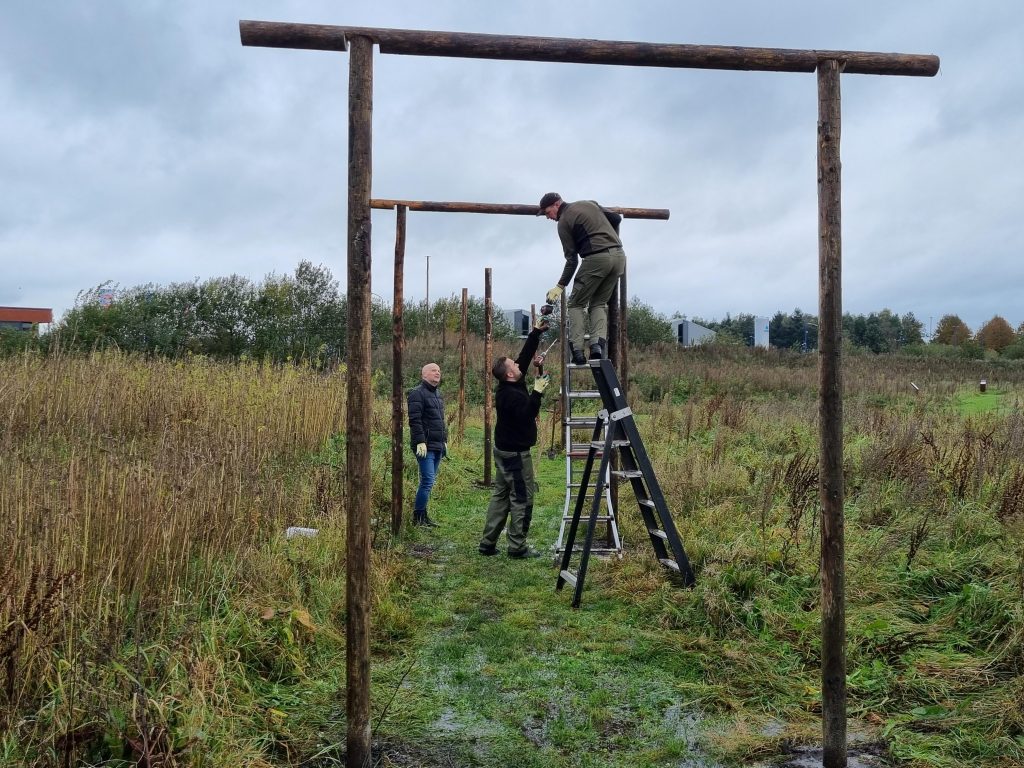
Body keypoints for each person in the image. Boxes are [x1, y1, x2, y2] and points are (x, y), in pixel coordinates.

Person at [479, 320, 551, 558]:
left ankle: (487, 543)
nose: (518, 364)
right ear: (510, 374)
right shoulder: (508, 396)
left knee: (501, 496)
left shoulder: (512, 380)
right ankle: (517, 547)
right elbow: (527, 414)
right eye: (514, 365)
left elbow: (525, 355)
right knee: (521, 497)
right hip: (515, 456)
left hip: (504, 451)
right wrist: (538, 392)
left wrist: (536, 333)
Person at [537, 192, 625, 365]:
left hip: (596, 259)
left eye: (547, 213)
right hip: (619, 257)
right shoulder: (589, 203)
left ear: (556, 205)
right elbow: (616, 218)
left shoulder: (563, 222)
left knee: (576, 304)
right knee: (599, 303)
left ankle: (577, 351)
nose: (548, 218)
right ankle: (597, 347)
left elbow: (572, 260)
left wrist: (560, 286)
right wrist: (609, 237)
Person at [407, 362, 447, 527]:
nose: (437, 373)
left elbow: (440, 421)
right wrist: (420, 441)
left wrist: (444, 440)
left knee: (429, 481)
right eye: (433, 370)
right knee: (427, 480)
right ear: (424, 375)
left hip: (438, 445)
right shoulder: (417, 394)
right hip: (425, 446)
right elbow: (415, 421)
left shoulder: (438, 394)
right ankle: (418, 518)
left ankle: (423, 516)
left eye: (439, 370)